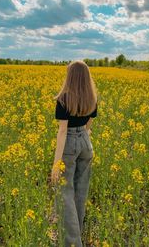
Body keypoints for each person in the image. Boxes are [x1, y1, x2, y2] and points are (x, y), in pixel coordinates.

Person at [51, 60, 98, 247]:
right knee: (81, 190)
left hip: (69, 143)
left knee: (65, 193)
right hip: (86, 143)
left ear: (70, 76)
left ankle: (72, 242)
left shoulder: (64, 98)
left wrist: (56, 164)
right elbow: (89, 126)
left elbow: (62, 131)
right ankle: (76, 233)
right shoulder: (92, 97)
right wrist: (83, 138)